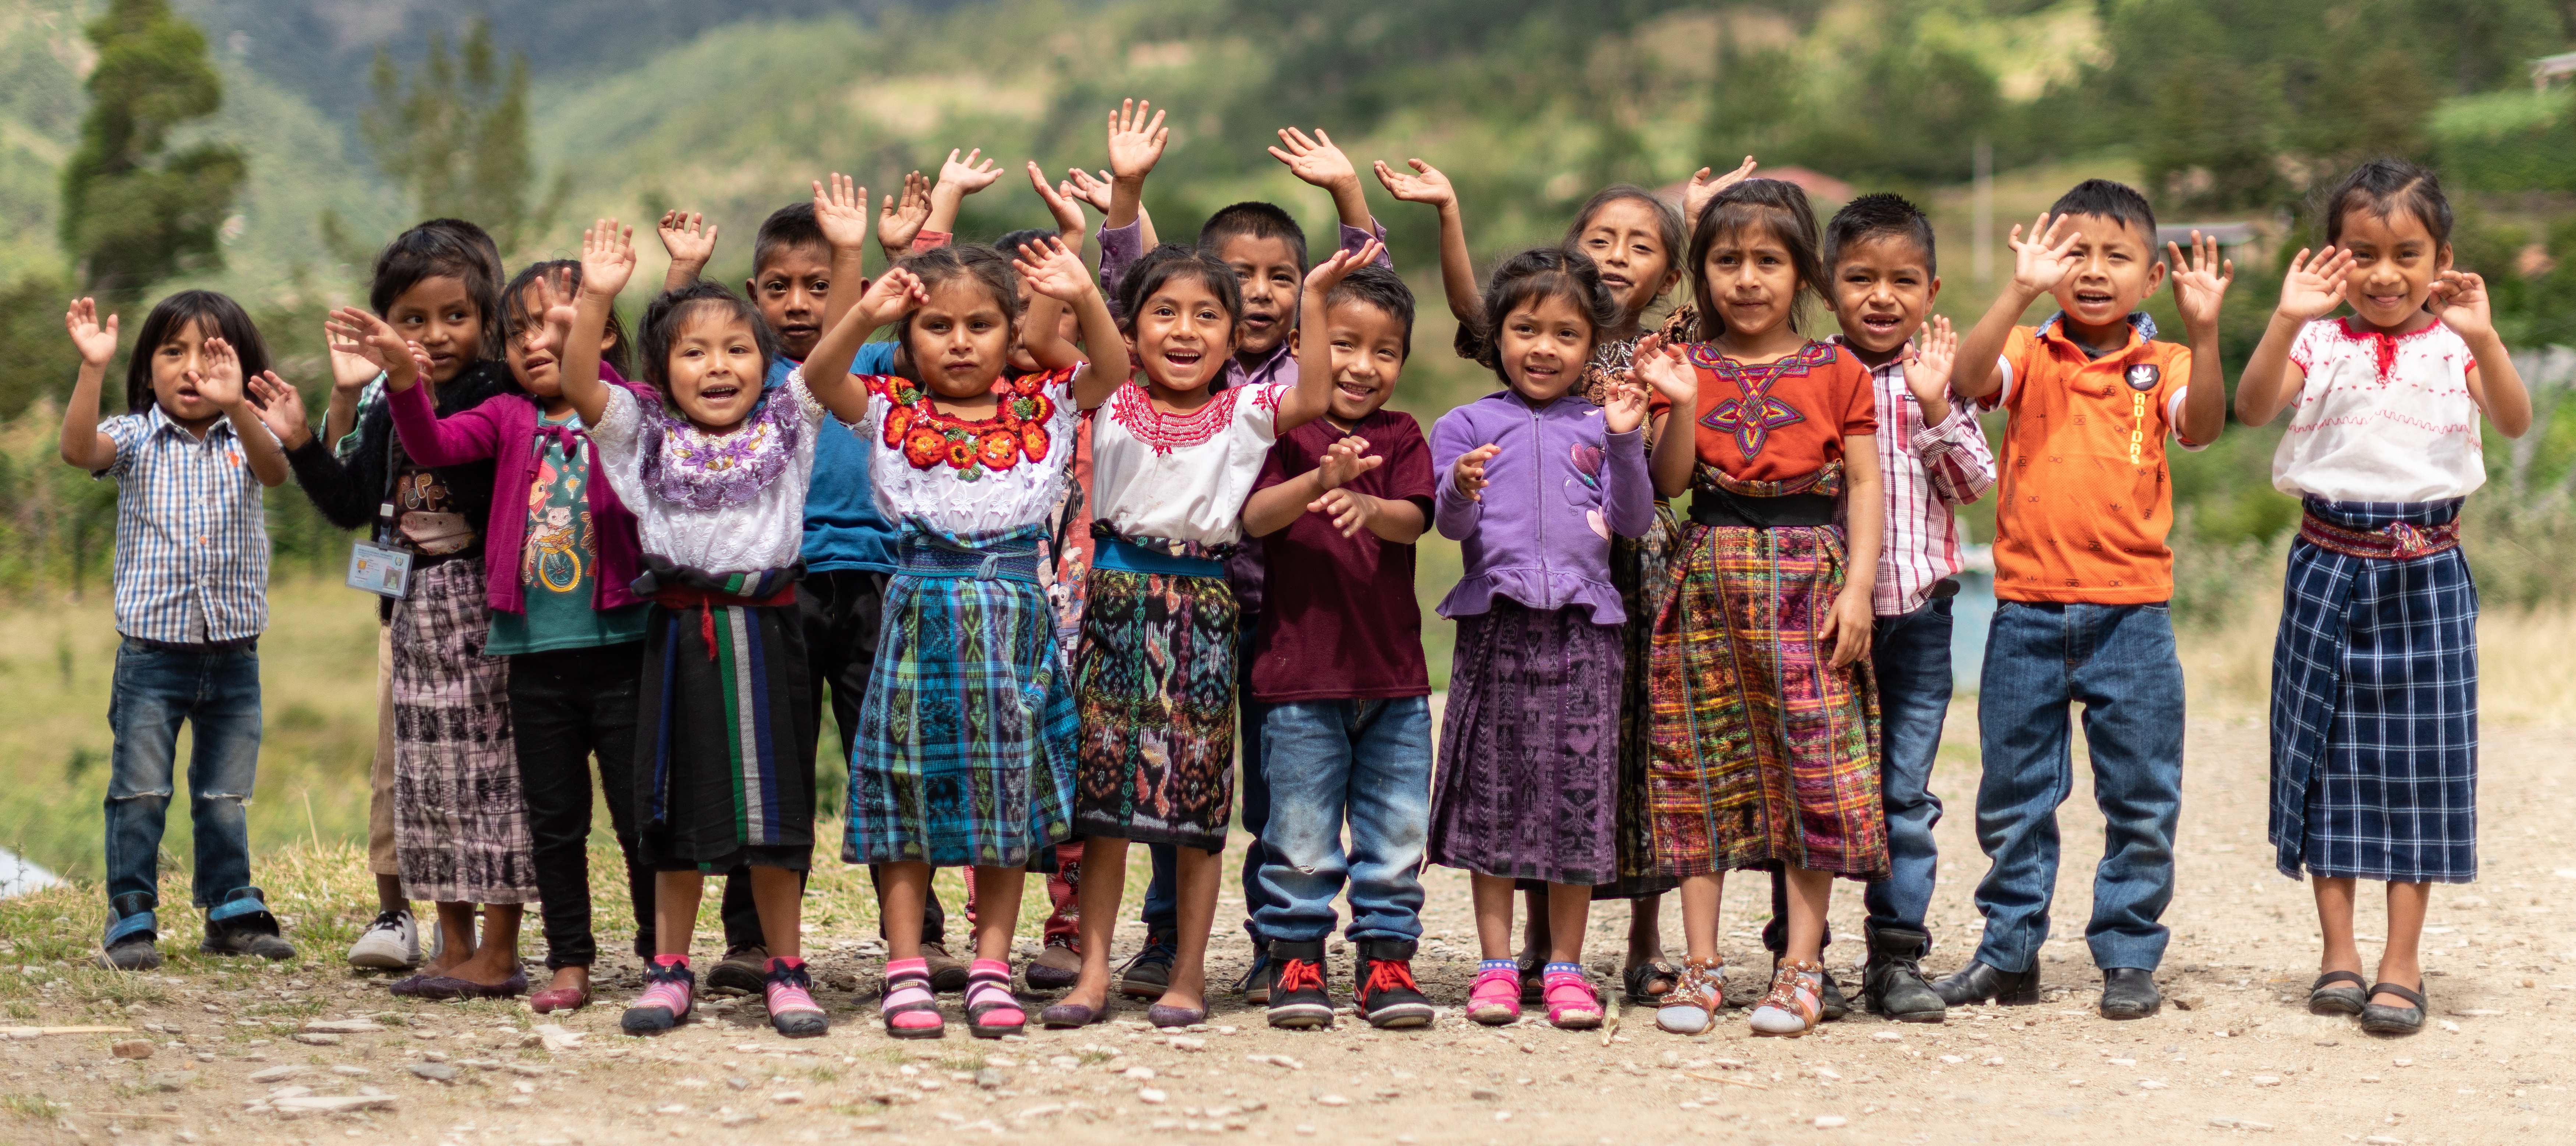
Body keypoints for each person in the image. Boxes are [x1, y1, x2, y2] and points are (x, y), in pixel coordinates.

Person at [1378, 155, 1755, 1006]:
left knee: (1616, 765)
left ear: (1666, 272)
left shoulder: (1657, 353)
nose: (1619, 255)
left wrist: (1698, 223)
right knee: (1509, 773)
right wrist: (1447, 211)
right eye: (1600, 239)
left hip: (1621, 588)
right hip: (1511, 599)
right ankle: (1510, 959)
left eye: (1641, 244)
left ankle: (1621, 953)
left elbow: (1642, 495)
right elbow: (1476, 313)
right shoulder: (1487, 403)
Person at [1085, 101, 1396, 1003]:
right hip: (1170, 593)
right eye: (1239, 277)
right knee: (1146, 775)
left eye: (1279, 279)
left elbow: (1359, 291)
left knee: (1257, 784)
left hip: (1280, 606)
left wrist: (1346, 195)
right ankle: (1158, 941)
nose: (1257, 292)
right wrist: (1127, 192)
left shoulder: (1288, 380)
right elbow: (1125, 291)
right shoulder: (1163, 370)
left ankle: (1274, 942)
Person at [553, 216, 878, 1038]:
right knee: (670, 808)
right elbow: (580, 379)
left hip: (769, 632)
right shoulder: (641, 434)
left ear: (764, 359)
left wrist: (860, 284)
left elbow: (832, 357)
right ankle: (669, 967)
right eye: (693, 353)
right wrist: (597, 294)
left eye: (737, 349)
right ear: (660, 372)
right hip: (679, 635)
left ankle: (786, 967)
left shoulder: (788, 419)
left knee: (775, 811)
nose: (719, 367)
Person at [2232, 159, 2530, 1036]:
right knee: (2322, 754)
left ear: (2443, 258)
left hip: (2428, 572)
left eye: (2408, 253)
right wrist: (2286, 315)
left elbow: (2511, 421)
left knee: (2421, 767)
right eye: (2361, 253)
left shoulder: (2455, 346)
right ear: (2333, 257)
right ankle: (2338, 955)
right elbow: (2251, 410)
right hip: (2326, 564)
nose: (2385, 274)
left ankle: (2401, 965)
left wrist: (2482, 337)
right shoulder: (2315, 341)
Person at [655, 175, 969, 995]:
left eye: (820, 286)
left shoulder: (861, 359)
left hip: (874, 581)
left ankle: (920, 935)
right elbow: (671, 349)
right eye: (780, 288)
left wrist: (891, 249)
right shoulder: (742, 376)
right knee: (766, 761)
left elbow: (915, 323)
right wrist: (683, 280)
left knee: (892, 760)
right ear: (753, 296)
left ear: (851, 293)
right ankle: (753, 939)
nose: (798, 304)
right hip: (778, 593)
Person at [1040, 238, 1363, 1030]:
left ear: (1232, 337)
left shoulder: (1245, 411)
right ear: (1132, 330)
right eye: (1164, 314)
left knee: (1194, 800)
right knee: (1103, 803)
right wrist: (1071, 276)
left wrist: (1313, 299)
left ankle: (1189, 975)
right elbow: (1049, 342)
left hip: (1203, 606)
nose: (1184, 332)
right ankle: (1091, 973)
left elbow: (1315, 393)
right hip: (1115, 599)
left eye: (1205, 317)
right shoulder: (1110, 395)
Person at [1937, 180, 2235, 1020]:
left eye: (2115, 256)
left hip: (2131, 616)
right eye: (2074, 254)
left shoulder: (2166, 361)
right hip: (2026, 611)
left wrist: (2205, 330)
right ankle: (2008, 952)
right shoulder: (2029, 350)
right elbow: (1964, 380)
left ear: (2149, 280)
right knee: (2013, 795)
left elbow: (2204, 425)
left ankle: (2128, 953)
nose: (2093, 271)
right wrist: (2014, 291)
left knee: (2140, 796)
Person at [836, 202, 1129, 1039]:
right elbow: (823, 378)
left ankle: (991, 967)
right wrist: (864, 310)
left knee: (1004, 798)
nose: (958, 342)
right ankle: (904, 966)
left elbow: (1109, 372)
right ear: (906, 334)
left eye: (979, 325)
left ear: (1012, 337)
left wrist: (1082, 293)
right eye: (935, 326)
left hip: (1012, 621)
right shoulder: (890, 409)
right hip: (917, 612)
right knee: (908, 791)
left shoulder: (1042, 409)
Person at [1633, 179, 1886, 1039]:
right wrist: (1682, 403)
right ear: (1701, 274)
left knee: (1812, 768)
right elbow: (1668, 485)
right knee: (1696, 765)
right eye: (1726, 260)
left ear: (1803, 276)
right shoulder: (1685, 367)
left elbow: (1861, 482)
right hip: (1706, 575)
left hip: (1808, 579)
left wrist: (1856, 589)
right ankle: (1700, 968)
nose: (1746, 279)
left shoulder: (1837, 366)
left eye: (1767, 261)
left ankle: (1800, 968)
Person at [372, 258, 651, 1014]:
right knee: (553, 824)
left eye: (554, 323)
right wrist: (404, 382)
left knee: (637, 816)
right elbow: (431, 446)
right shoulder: (506, 417)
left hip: (624, 646)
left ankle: (663, 955)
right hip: (532, 658)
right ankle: (569, 961)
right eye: (519, 330)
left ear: (600, 330)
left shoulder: (629, 409)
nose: (533, 343)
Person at [263, 221, 534, 998]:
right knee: (428, 782)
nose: (435, 335)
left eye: (456, 317)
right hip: (411, 611)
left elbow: (486, 487)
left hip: (485, 609)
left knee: (491, 779)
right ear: (385, 325)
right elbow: (354, 503)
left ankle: (500, 948)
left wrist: (416, 396)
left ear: (486, 321)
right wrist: (302, 444)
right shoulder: (385, 407)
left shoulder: (497, 395)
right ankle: (453, 944)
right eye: (412, 320)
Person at [1426, 248, 1666, 1030]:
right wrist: (1458, 486)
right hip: (1495, 625)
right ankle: (1496, 965)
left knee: (1576, 795)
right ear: (1496, 335)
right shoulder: (1464, 425)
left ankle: (1564, 965)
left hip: (1584, 631)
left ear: (1590, 345)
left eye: (1564, 334)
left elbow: (1631, 522)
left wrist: (1627, 441)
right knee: (1494, 795)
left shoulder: (1601, 425)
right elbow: (1449, 524)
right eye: (1525, 328)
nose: (1542, 347)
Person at [1791, 193, 1994, 1024]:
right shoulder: (1804, 374)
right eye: (1860, 278)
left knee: (1901, 796)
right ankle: (1800, 958)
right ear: (1827, 287)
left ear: (1931, 290)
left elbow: (1976, 485)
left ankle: (1895, 957)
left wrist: (1937, 406)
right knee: (1807, 788)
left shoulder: (1934, 380)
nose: (1881, 296)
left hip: (1915, 620)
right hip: (1817, 620)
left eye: (1901, 281)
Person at [59, 291, 294, 970]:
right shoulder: (135, 438)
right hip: (151, 659)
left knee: (223, 793)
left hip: (233, 656)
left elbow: (276, 471)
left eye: (213, 354)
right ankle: (131, 913)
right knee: (139, 791)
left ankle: (229, 907)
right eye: (174, 352)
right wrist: (90, 369)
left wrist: (237, 406)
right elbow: (79, 450)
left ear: (242, 368)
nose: (192, 369)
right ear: (148, 366)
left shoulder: (246, 440)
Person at [1237, 265, 1439, 1030]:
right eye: (1342, 345)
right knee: (1299, 831)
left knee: (1393, 829)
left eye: (1383, 352)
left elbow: (1414, 521)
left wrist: (1364, 501)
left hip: (1391, 679)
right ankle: (1296, 957)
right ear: (1300, 349)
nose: (1361, 366)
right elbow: (1254, 519)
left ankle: (1387, 958)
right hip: (1297, 676)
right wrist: (1317, 480)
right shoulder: (1277, 432)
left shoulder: (1402, 435)